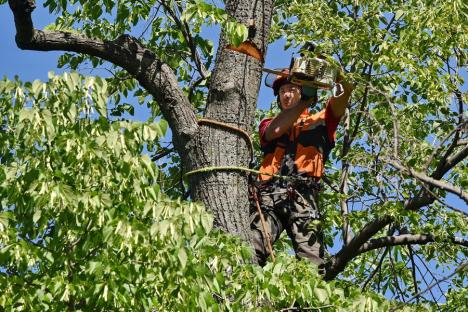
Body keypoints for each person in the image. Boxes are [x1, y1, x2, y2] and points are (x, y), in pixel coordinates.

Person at [250, 69, 353, 268]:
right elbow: (273, 132)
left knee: (312, 264)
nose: (287, 94)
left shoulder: (323, 120)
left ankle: (309, 298)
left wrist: (335, 73)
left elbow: (343, 94)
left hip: (302, 197)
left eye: (292, 89)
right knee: (251, 248)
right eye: (283, 91)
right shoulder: (269, 123)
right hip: (267, 197)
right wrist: (305, 100)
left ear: (303, 91)